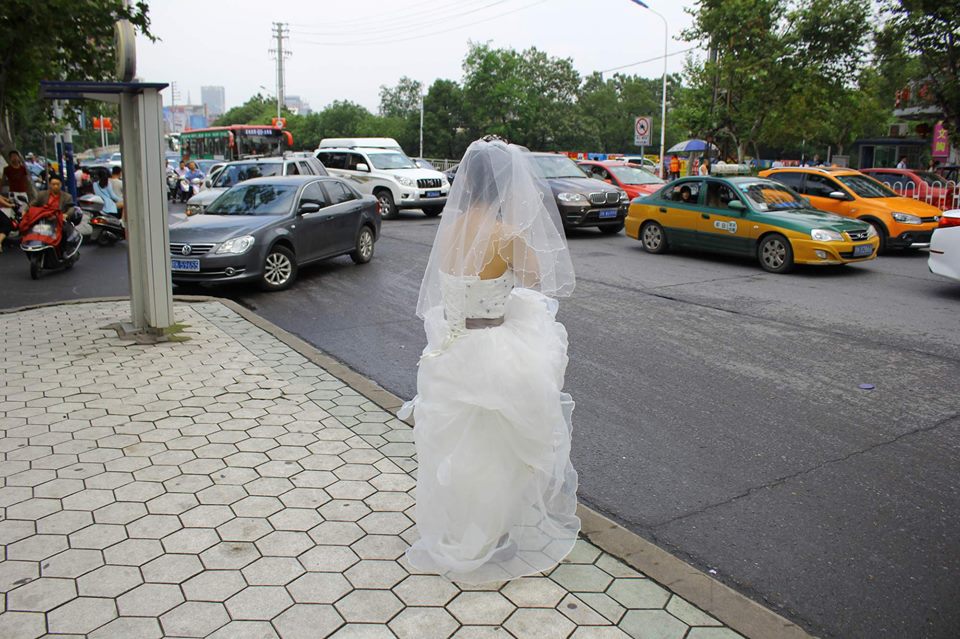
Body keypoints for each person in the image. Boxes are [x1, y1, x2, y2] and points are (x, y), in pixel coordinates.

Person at [398, 135, 579, 584]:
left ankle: (462, 526)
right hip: (495, 351)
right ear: (503, 188)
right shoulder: (504, 234)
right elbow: (538, 278)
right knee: (496, 452)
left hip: (452, 347)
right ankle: (490, 536)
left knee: (461, 447)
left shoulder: (451, 228)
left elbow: (453, 287)